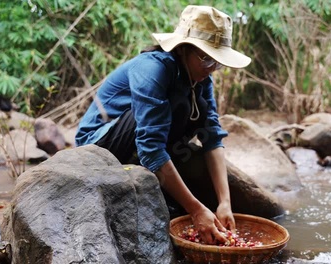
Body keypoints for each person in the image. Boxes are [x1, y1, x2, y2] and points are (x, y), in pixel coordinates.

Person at [75, 5, 251, 245]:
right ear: (183, 49)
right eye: (206, 59)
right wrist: (196, 210)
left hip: (145, 141)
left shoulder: (200, 79)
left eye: (217, 62)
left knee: (193, 104)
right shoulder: (152, 68)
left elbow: (212, 136)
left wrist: (224, 202)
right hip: (100, 142)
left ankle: (165, 183)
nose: (212, 68)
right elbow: (151, 147)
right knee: (169, 111)